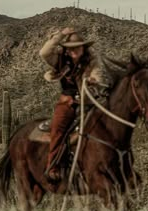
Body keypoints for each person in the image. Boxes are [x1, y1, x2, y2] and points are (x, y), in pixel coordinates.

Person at [40, 27, 110, 181]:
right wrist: (60, 35)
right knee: (58, 129)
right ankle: (53, 165)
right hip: (67, 101)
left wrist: (93, 81)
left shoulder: (91, 60)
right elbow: (44, 53)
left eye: (76, 48)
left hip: (88, 101)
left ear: (83, 48)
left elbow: (97, 76)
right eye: (70, 49)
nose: (73, 51)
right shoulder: (59, 60)